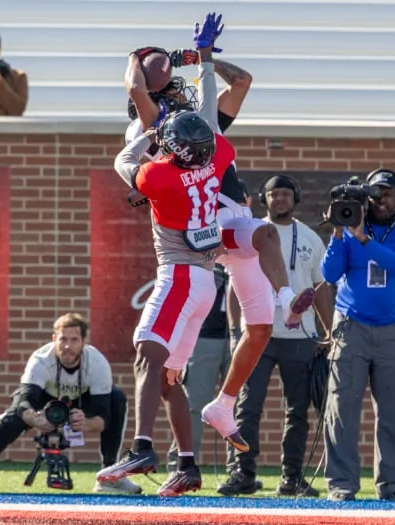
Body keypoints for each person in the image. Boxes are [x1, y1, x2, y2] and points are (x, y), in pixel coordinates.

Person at [124, 29, 315, 455]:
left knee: (261, 326)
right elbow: (139, 97)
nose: (179, 97)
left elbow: (238, 83)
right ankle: (162, 446)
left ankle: (222, 406)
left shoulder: (201, 130)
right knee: (166, 361)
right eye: (170, 91)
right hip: (204, 232)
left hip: (226, 228)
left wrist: (199, 59)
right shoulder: (160, 132)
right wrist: (148, 59)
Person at [95, 13, 231, 497]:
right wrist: (206, 61)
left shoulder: (160, 176)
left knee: (146, 356)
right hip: (206, 282)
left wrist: (152, 133)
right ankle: (189, 464)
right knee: (170, 374)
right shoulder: (215, 157)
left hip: (179, 274)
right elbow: (211, 118)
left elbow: (125, 162)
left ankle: (142, 446)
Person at [0, 313, 141, 495]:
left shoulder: (96, 362)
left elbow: (104, 416)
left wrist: (86, 424)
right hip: (46, 396)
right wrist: (32, 417)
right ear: (54, 339)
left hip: (83, 400)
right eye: (63, 339)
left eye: (74, 340)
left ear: (84, 342)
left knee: (117, 399)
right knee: (14, 414)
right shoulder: (41, 359)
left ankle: (109, 476)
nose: (68, 346)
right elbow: (23, 400)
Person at [217, 175, 333, 497]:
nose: (279, 199)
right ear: (263, 199)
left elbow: (321, 288)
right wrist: (233, 331)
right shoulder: (252, 233)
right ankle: (242, 473)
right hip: (257, 335)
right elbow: (233, 286)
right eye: (273, 194)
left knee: (297, 410)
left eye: (285, 194)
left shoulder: (310, 237)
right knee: (247, 406)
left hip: (300, 336)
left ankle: (291, 477)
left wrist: (328, 331)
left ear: (295, 197)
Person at [320, 168, 395, 502]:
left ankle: (392, 486)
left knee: (394, 414)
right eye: (374, 194)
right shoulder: (349, 229)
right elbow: (330, 273)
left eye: (387, 194)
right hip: (350, 327)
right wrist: (338, 232)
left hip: (392, 330)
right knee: (342, 410)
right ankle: (341, 485)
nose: (380, 200)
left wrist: (364, 240)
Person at [165, 263, 230, 471]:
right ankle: (181, 463)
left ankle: (239, 471)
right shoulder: (205, 249)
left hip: (241, 337)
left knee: (237, 407)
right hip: (203, 337)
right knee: (194, 403)